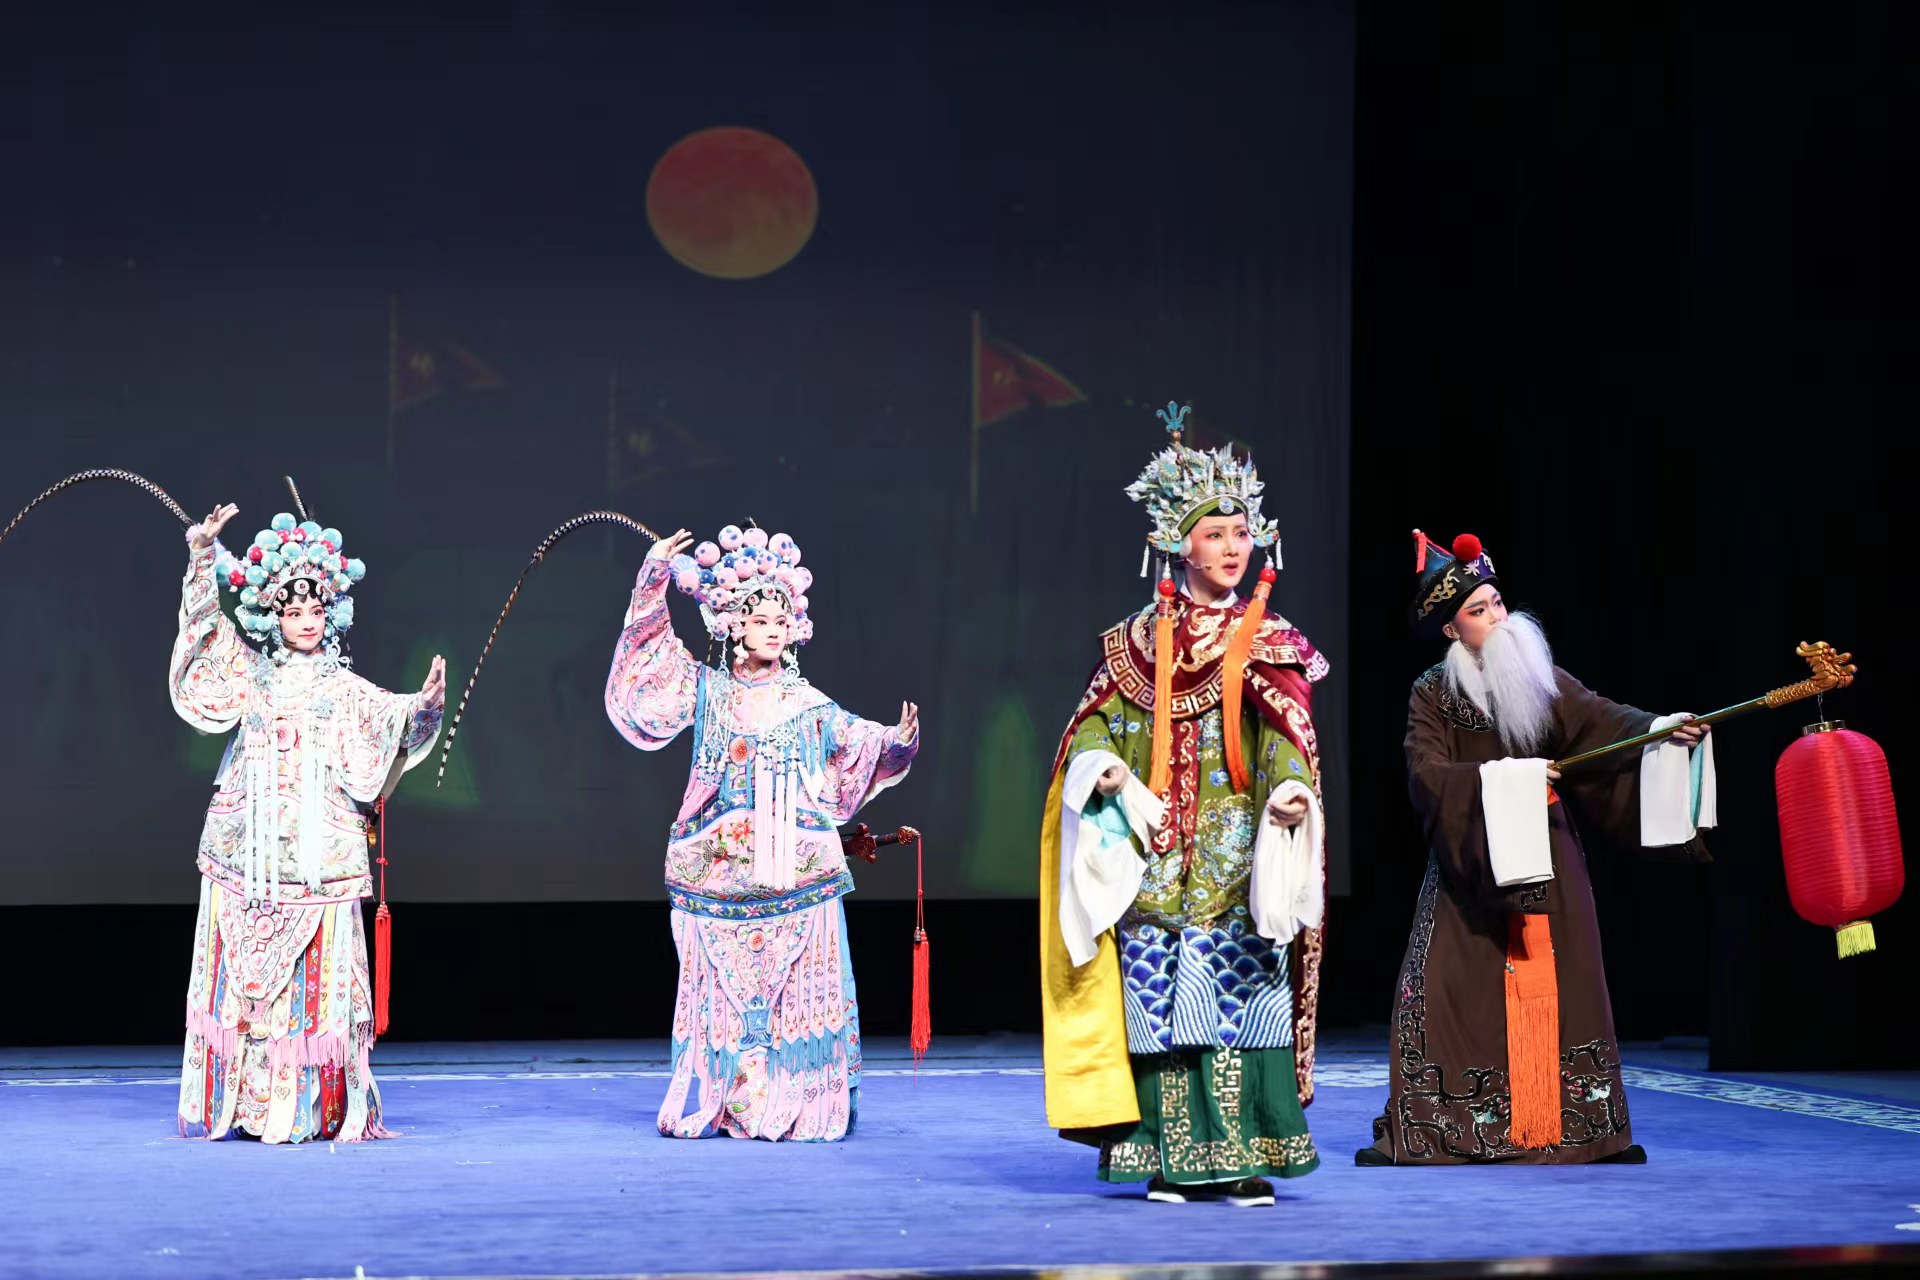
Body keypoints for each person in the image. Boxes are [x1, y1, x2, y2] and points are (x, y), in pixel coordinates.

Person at [1040, 403, 1329, 1205]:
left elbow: (1283, 736)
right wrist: (1100, 764)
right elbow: (1096, 722)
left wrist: (1291, 791)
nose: (1233, 548)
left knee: (1237, 1007)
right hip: (1156, 854)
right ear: (1179, 544)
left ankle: (1242, 1158)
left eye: (1241, 533)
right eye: (1215, 534)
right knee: (1160, 1011)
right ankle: (1168, 1158)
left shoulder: (1269, 640)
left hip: (1236, 859)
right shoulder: (1133, 643)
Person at [1360, 530, 1712, 1166]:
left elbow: (1603, 720)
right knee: (1453, 989)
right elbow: (1427, 775)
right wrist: (1509, 780)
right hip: (1470, 864)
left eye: (1497, 602)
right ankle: (1449, 1129)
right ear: (1452, 630)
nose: (1497, 616)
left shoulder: (1537, 675)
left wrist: (1662, 731)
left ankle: (1579, 1130)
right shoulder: (1431, 694)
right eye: (1478, 610)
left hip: (1549, 858)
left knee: (1566, 983)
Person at [605, 522, 919, 1141]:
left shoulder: (807, 703)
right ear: (734, 626)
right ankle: (734, 1098)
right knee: (728, 995)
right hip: (718, 869)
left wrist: (896, 743)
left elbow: (855, 742)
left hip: (795, 871)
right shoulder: (707, 690)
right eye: (760, 619)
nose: (773, 629)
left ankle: (802, 1100)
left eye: (782, 619)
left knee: (799, 987)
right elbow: (649, 670)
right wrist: (653, 579)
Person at [174, 502, 445, 1142]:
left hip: (318, 860)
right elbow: (205, 634)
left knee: (315, 982)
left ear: (330, 615)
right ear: (273, 615)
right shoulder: (251, 674)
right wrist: (202, 555)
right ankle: (245, 1104)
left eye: (314, 610)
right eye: (292, 611)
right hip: (245, 854)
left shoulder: (343, 688)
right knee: (243, 984)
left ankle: (312, 1106)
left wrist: (424, 706)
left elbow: (394, 719)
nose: (305, 621)